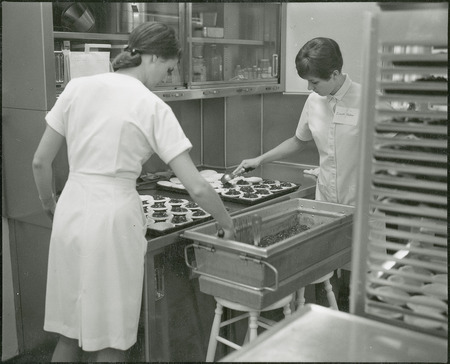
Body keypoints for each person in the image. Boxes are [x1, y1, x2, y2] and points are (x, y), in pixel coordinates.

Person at [32, 22, 235, 362]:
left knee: (69, 333)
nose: (167, 78)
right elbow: (197, 185)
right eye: (169, 70)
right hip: (113, 216)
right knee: (111, 338)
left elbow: (40, 162)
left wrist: (50, 204)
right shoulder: (151, 105)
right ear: (154, 57)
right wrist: (226, 222)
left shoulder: (76, 88)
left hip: (71, 207)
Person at [234, 37, 360, 308]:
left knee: (360, 277)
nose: (309, 88)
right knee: (325, 269)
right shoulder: (315, 100)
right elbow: (298, 140)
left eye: (314, 82)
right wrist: (260, 158)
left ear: (335, 74)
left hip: (361, 202)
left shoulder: (366, 99)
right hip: (325, 200)